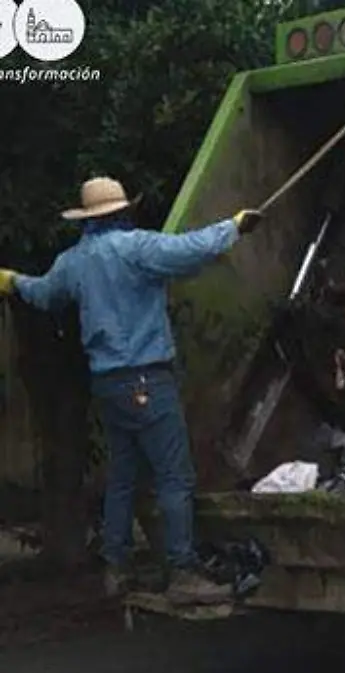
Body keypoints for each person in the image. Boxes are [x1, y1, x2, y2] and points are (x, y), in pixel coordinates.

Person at [0, 177, 263, 605]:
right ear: (122, 211)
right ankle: (182, 572)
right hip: (146, 378)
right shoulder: (137, 247)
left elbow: (44, 294)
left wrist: (12, 281)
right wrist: (233, 226)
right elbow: (190, 249)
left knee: (123, 476)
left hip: (107, 383)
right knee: (174, 477)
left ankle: (116, 568)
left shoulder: (74, 262)